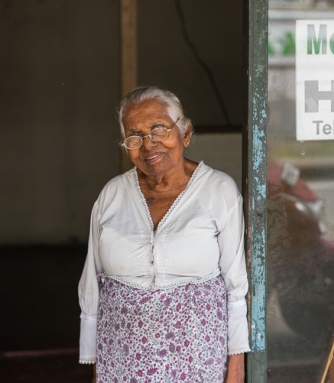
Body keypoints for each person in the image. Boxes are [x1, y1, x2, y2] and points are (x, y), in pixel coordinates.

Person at [78, 86, 250, 383]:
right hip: (121, 359)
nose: (148, 145)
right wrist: (96, 364)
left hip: (196, 358)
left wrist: (236, 368)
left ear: (186, 133)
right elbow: (92, 285)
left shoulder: (219, 191)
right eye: (135, 136)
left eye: (158, 129)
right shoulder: (112, 195)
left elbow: (235, 288)